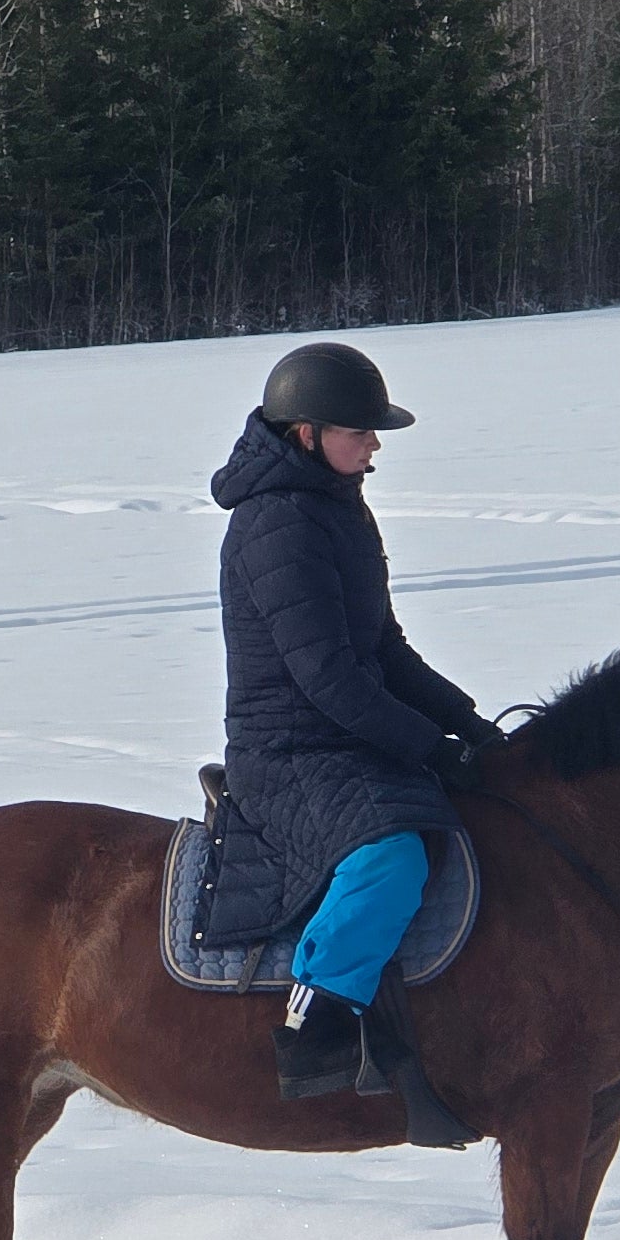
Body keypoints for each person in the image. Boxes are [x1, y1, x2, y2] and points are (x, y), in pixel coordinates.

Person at [210, 341, 499, 1128]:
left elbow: (385, 650)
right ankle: (318, 1016)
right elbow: (329, 679)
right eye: (360, 433)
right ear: (307, 434)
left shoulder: (337, 505)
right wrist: (430, 749)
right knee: (390, 858)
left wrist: (468, 725)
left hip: (348, 735)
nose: (374, 446)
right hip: (290, 752)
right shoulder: (276, 526)